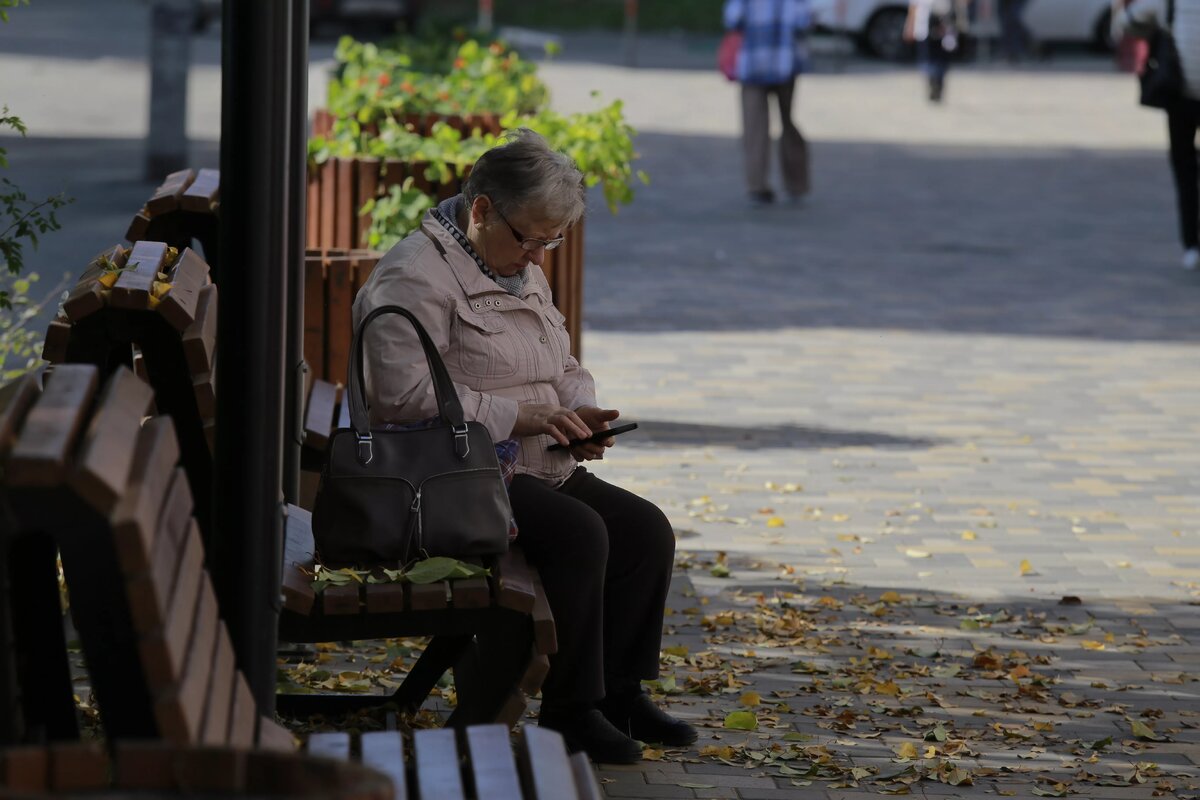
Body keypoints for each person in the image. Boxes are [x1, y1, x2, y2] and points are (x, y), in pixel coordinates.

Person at [352, 129, 696, 763]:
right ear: (481, 209)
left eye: (550, 241)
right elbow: (399, 398)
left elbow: (559, 360)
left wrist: (578, 410)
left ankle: (619, 692)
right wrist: (522, 417)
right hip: (446, 479)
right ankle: (571, 711)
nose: (538, 257)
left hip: (526, 466)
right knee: (579, 534)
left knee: (645, 531)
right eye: (530, 239)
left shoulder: (510, 262)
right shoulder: (413, 277)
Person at [1121, 0, 1200, 270]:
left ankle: (1191, 245)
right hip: (1181, 95)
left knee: (1184, 171)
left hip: (1179, 93)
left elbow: (1127, 22)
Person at [722, 0, 812, 206]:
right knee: (788, 121)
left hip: (753, 60)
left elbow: (733, 17)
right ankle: (796, 185)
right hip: (785, 59)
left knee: (754, 126)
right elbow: (804, 19)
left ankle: (757, 185)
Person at [904, 0, 969, 103]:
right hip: (925, 24)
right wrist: (910, 25)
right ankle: (933, 81)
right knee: (927, 58)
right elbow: (914, 5)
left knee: (942, 59)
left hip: (946, 25)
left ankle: (938, 83)